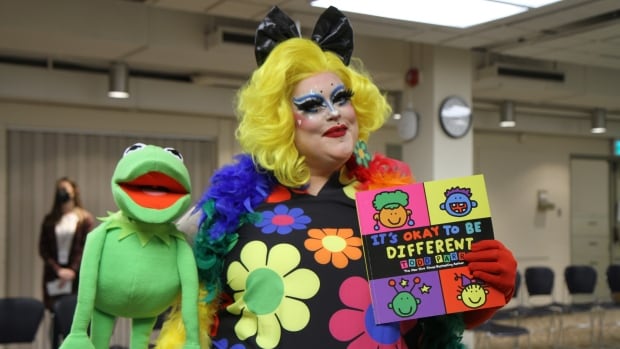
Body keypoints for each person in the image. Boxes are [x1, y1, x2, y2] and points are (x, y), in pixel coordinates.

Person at [158, 6, 517, 349]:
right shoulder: (229, 206)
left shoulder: (395, 207)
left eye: (341, 98)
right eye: (312, 105)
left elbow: (436, 319)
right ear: (280, 118)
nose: (334, 114)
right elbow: (151, 275)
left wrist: (485, 285)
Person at [39, 177, 94, 312]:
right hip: (54, 274)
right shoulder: (50, 220)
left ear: (74, 192)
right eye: (59, 190)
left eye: (65, 189)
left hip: (76, 275)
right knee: (55, 314)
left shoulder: (84, 219)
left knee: (74, 313)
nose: (61, 192)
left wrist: (72, 271)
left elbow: (85, 247)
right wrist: (58, 270)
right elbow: (43, 248)